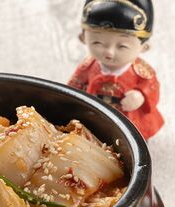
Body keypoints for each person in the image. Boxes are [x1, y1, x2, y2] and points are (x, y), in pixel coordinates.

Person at [68, 0, 164, 140]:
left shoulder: (142, 71)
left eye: (122, 46)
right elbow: (73, 86)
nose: (109, 52)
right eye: (97, 43)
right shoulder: (87, 67)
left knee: (132, 138)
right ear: (83, 38)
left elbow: (152, 87)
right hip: (94, 113)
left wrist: (140, 96)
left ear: (144, 47)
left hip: (128, 117)